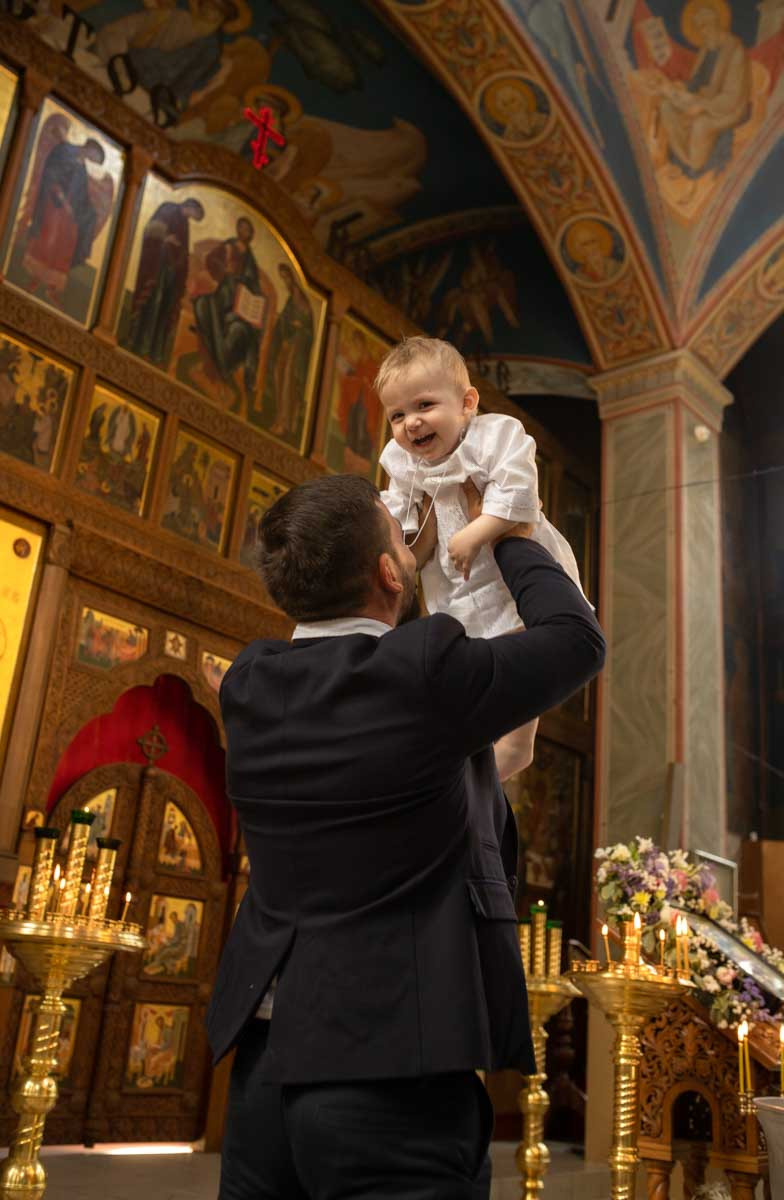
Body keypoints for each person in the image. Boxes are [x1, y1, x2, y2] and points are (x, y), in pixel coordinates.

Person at [209, 471, 605, 1199]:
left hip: (265, 1064)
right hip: (391, 1065)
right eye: (399, 542)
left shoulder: (248, 681)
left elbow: (463, 768)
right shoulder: (424, 670)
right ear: (390, 572)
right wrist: (506, 531)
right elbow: (577, 638)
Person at [378, 336, 586, 782]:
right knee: (470, 694)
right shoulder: (400, 460)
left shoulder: (494, 435)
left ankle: (501, 761)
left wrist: (478, 531)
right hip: (457, 589)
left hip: (510, 584)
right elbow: (401, 516)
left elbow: (519, 490)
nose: (411, 423)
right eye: (397, 415)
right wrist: (409, 544)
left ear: (467, 402)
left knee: (515, 711)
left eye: (425, 405)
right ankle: (467, 779)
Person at [125, 196, 205, 365]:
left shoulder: (185, 223)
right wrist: (166, 238)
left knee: (165, 308)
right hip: (157, 265)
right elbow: (151, 229)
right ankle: (141, 346)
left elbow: (182, 248)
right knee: (153, 303)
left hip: (172, 271)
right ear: (190, 206)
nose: (192, 217)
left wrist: (183, 264)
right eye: (194, 214)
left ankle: (156, 352)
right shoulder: (168, 208)